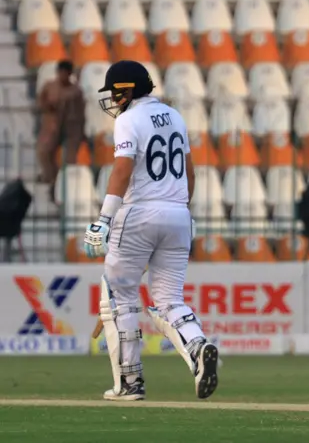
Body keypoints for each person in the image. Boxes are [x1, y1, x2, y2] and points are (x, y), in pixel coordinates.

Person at [83, 60, 218, 401]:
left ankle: (129, 383)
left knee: (119, 298)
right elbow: (189, 171)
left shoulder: (129, 120)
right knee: (169, 300)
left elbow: (123, 169)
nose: (112, 101)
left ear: (124, 91)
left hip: (138, 213)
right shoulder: (175, 116)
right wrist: (182, 210)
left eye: (114, 94)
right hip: (177, 215)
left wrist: (104, 218)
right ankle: (197, 347)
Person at [36, 60, 85, 191]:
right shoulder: (49, 87)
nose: (63, 76)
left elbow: (81, 112)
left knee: (69, 160)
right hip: (52, 126)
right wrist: (48, 106)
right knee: (44, 152)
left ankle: (65, 185)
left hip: (71, 128)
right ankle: (51, 178)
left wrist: (80, 131)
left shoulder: (76, 91)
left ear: (70, 74)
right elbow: (41, 103)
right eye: (61, 72)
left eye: (66, 73)